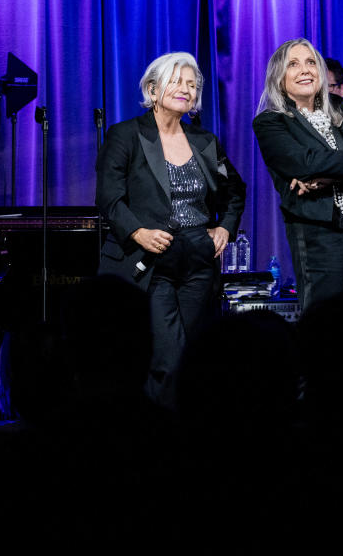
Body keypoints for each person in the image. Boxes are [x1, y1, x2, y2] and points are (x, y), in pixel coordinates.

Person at [96, 51, 247, 408]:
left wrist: (224, 228)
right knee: (167, 355)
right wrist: (137, 232)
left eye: (192, 85)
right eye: (177, 81)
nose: (186, 89)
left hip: (197, 258)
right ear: (153, 88)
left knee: (194, 354)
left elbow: (235, 190)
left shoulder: (205, 142)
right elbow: (108, 197)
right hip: (150, 261)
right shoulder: (126, 136)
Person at [252, 38, 343, 310]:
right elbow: (305, 162)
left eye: (310, 62)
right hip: (319, 233)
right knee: (324, 323)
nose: (305, 70)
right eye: (293, 64)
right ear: (280, 79)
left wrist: (326, 177)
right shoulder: (270, 122)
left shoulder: (338, 112)